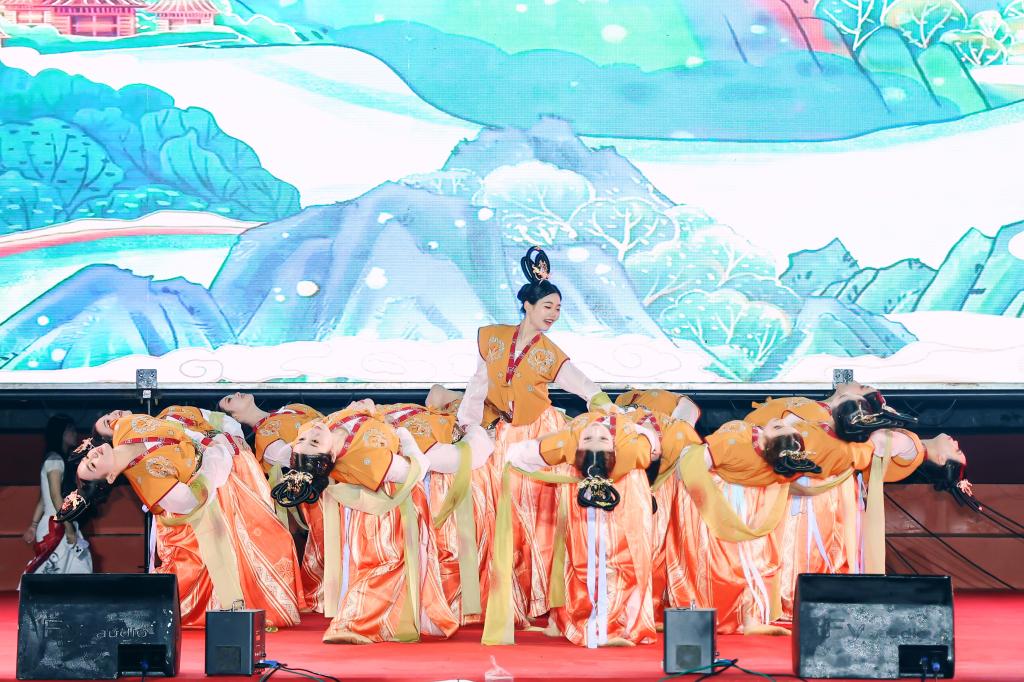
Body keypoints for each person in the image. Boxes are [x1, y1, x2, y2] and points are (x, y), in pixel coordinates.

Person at [457, 246, 611, 625]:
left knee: (536, 514)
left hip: (538, 434)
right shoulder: (493, 338)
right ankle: (504, 599)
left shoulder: (549, 353)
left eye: (558, 308)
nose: (554, 314)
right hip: (501, 433)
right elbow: (478, 383)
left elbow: (582, 384)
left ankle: (537, 595)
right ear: (527, 305)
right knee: (500, 512)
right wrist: (467, 423)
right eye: (548, 306)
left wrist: (605, 406)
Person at [79, 410, 304, 628]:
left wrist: (211, 440)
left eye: (87, 456)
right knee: (243, 552)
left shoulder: (125, 425)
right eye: (92, 465)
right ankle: (240, 611)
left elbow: (178, 427)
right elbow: (190, 500)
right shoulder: (147, 481)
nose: (93, 456)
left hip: (228, 472)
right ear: (110, 477)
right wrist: (215, 455)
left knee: (271, 540)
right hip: (213, 496)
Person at [280, 403, 459, 644]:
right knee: (385, 565)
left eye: (304, 439)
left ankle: (371, 623)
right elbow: (417, 470)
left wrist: (371, 412)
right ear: (330, 457)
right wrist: (404, 436)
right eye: (313, 442)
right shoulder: (364, 460)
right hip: (386, 513)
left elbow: (361, 406)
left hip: (373, 511)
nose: (312, 434)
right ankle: (356, 624)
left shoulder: (322, 426)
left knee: (386, 567)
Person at [491, 408, 660, 647]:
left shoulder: (625, 446)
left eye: (599, 438)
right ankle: (597, 626)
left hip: (626, 494)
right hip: (585, 496)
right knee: (586, 560)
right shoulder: (577, 441)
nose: (595, 432)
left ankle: (611, 626)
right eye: (589, 438)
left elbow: (654, 445)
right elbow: (519, 455)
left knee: (623, 560)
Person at [370, 399, 495, 624]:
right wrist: (474, 431)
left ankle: (447, 603)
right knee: (438, 547)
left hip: (447, 483)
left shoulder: (404, 417)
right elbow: (469, 454)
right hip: (428, 486)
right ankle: (433, 604)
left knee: (451, 546)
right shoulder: (380, 435)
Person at [218, 394, 328, 613]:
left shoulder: (295, 406)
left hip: (345, 474)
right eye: (229, 400)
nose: (236, 393)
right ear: (234, 417)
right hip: (321, 489)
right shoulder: (264, 435)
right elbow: (290, 457)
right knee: (329, 541)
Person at [23, 414, 93, 575]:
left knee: (79, 568)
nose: (75, 433)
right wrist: (68, 528)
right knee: (53, 572)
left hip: (59, 522)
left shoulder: (55, 460)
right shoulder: (54, 461)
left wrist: (33, 525)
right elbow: (55, 497)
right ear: (60, 433)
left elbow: (44, 499)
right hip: (56, 527)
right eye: (70, 430)